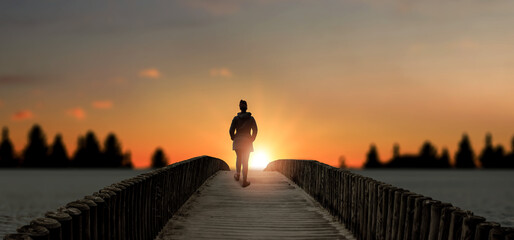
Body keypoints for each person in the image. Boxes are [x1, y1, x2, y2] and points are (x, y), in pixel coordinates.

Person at [229, 100, 258, 187]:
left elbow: (231, 130)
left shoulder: (236, 118)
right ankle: (244, 180)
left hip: (238, 140)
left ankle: (238, 174)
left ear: (240, 107)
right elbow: (255, 130)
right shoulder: (251, 119)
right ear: (246, 107)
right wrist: (252, 138)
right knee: (245, 161)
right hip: (247, 141)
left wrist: (233, 137)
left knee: (239, 157)